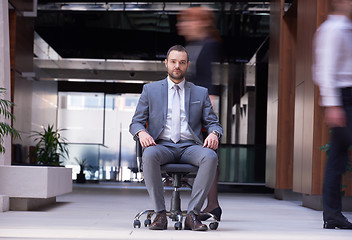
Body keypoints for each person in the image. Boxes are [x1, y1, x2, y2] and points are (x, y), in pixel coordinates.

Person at [129, 45, 223, 231]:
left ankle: (192, 215)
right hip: (161, 145)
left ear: (187, 65)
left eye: (181, 62)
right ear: (166, 64)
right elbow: (136, 122)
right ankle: (160, 214)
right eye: (173, 62)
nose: (177, 66)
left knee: (210, 157)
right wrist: (142, 132)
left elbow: (214, 123)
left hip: (190, 147)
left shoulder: (200, 92)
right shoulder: (150, 90)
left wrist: (214, 133)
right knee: (149, 154)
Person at [177, 6, 222, 221]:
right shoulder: (192, 47)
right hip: (192, 109)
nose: (181, 25)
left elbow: (207, 80)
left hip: (203, 109)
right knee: (205, 156)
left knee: (208, 156)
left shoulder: (207, 45)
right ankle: (210, 204)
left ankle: (212, 205)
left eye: (186, 21)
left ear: (201, 23)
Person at [313, 0, 352, 230]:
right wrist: (332, 105)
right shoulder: (332, 29)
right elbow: (324, 69)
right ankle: (332, 213)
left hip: (347, 97)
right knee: (337, 157)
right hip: (343, 97)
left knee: (337, 157)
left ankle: (332, 214)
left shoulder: (346, 28)